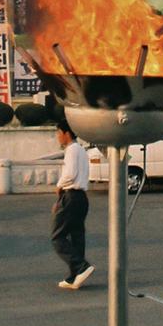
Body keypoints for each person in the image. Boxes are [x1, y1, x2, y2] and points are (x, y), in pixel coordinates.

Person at [52, 119, 94, 290]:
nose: (57, 137)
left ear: (66, 133)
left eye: (58, 133)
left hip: (71, 195)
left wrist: (59, 185)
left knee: (58, 236)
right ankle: (74, 276)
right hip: (81, 197)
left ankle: (81, 266)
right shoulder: (81, 150)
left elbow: (70, 173)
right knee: (76, 236)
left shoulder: (71, 150)